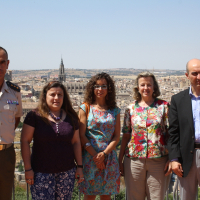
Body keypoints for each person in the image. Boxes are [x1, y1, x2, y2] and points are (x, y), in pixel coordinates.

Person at [21, 81, 84, 200]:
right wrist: (28, 168)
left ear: (64, 97)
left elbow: (76, 142)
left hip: (67, 173)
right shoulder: (34, 116)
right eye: (52, 94)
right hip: (41, 173)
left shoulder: (71, 117)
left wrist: (79, 166)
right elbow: (25, 141)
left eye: (60, 95)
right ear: (45, 96)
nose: (56, 98)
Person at [119, 71, 171, 200]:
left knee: (157, 197)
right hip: (134, 160)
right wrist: (119, 160)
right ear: (138, 87)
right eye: (142, 85)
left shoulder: (164, 107)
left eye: (149, 84)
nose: (146, 88)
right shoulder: (130, 109)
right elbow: (125, 135)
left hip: (159, 160)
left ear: (154, 87)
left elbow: (171, 133)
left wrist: (172, 158)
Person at [79, 72, 120, 200]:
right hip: (90, 159)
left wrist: (104, 154)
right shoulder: (85, 108)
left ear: (109, 89)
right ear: (92, 88)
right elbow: (81, 135)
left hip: (109, 159)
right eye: (97, 86)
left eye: (103, 86)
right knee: (89, 196)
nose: (100, 89)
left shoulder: (115, 110)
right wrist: (96, 156)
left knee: (106, 196)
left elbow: (117, 136)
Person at [168, 58, 200, 200]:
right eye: (195, 73)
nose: (199, 77)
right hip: (187, 157)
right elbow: (173, 132)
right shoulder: (178, 100)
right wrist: (174, 159)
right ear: (187, 75)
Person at [0, 47, 22, 200]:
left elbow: (16, 118)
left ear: (7, 64)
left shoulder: (15, 93)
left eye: (2, 62)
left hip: (6, 153)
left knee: (5, 194)